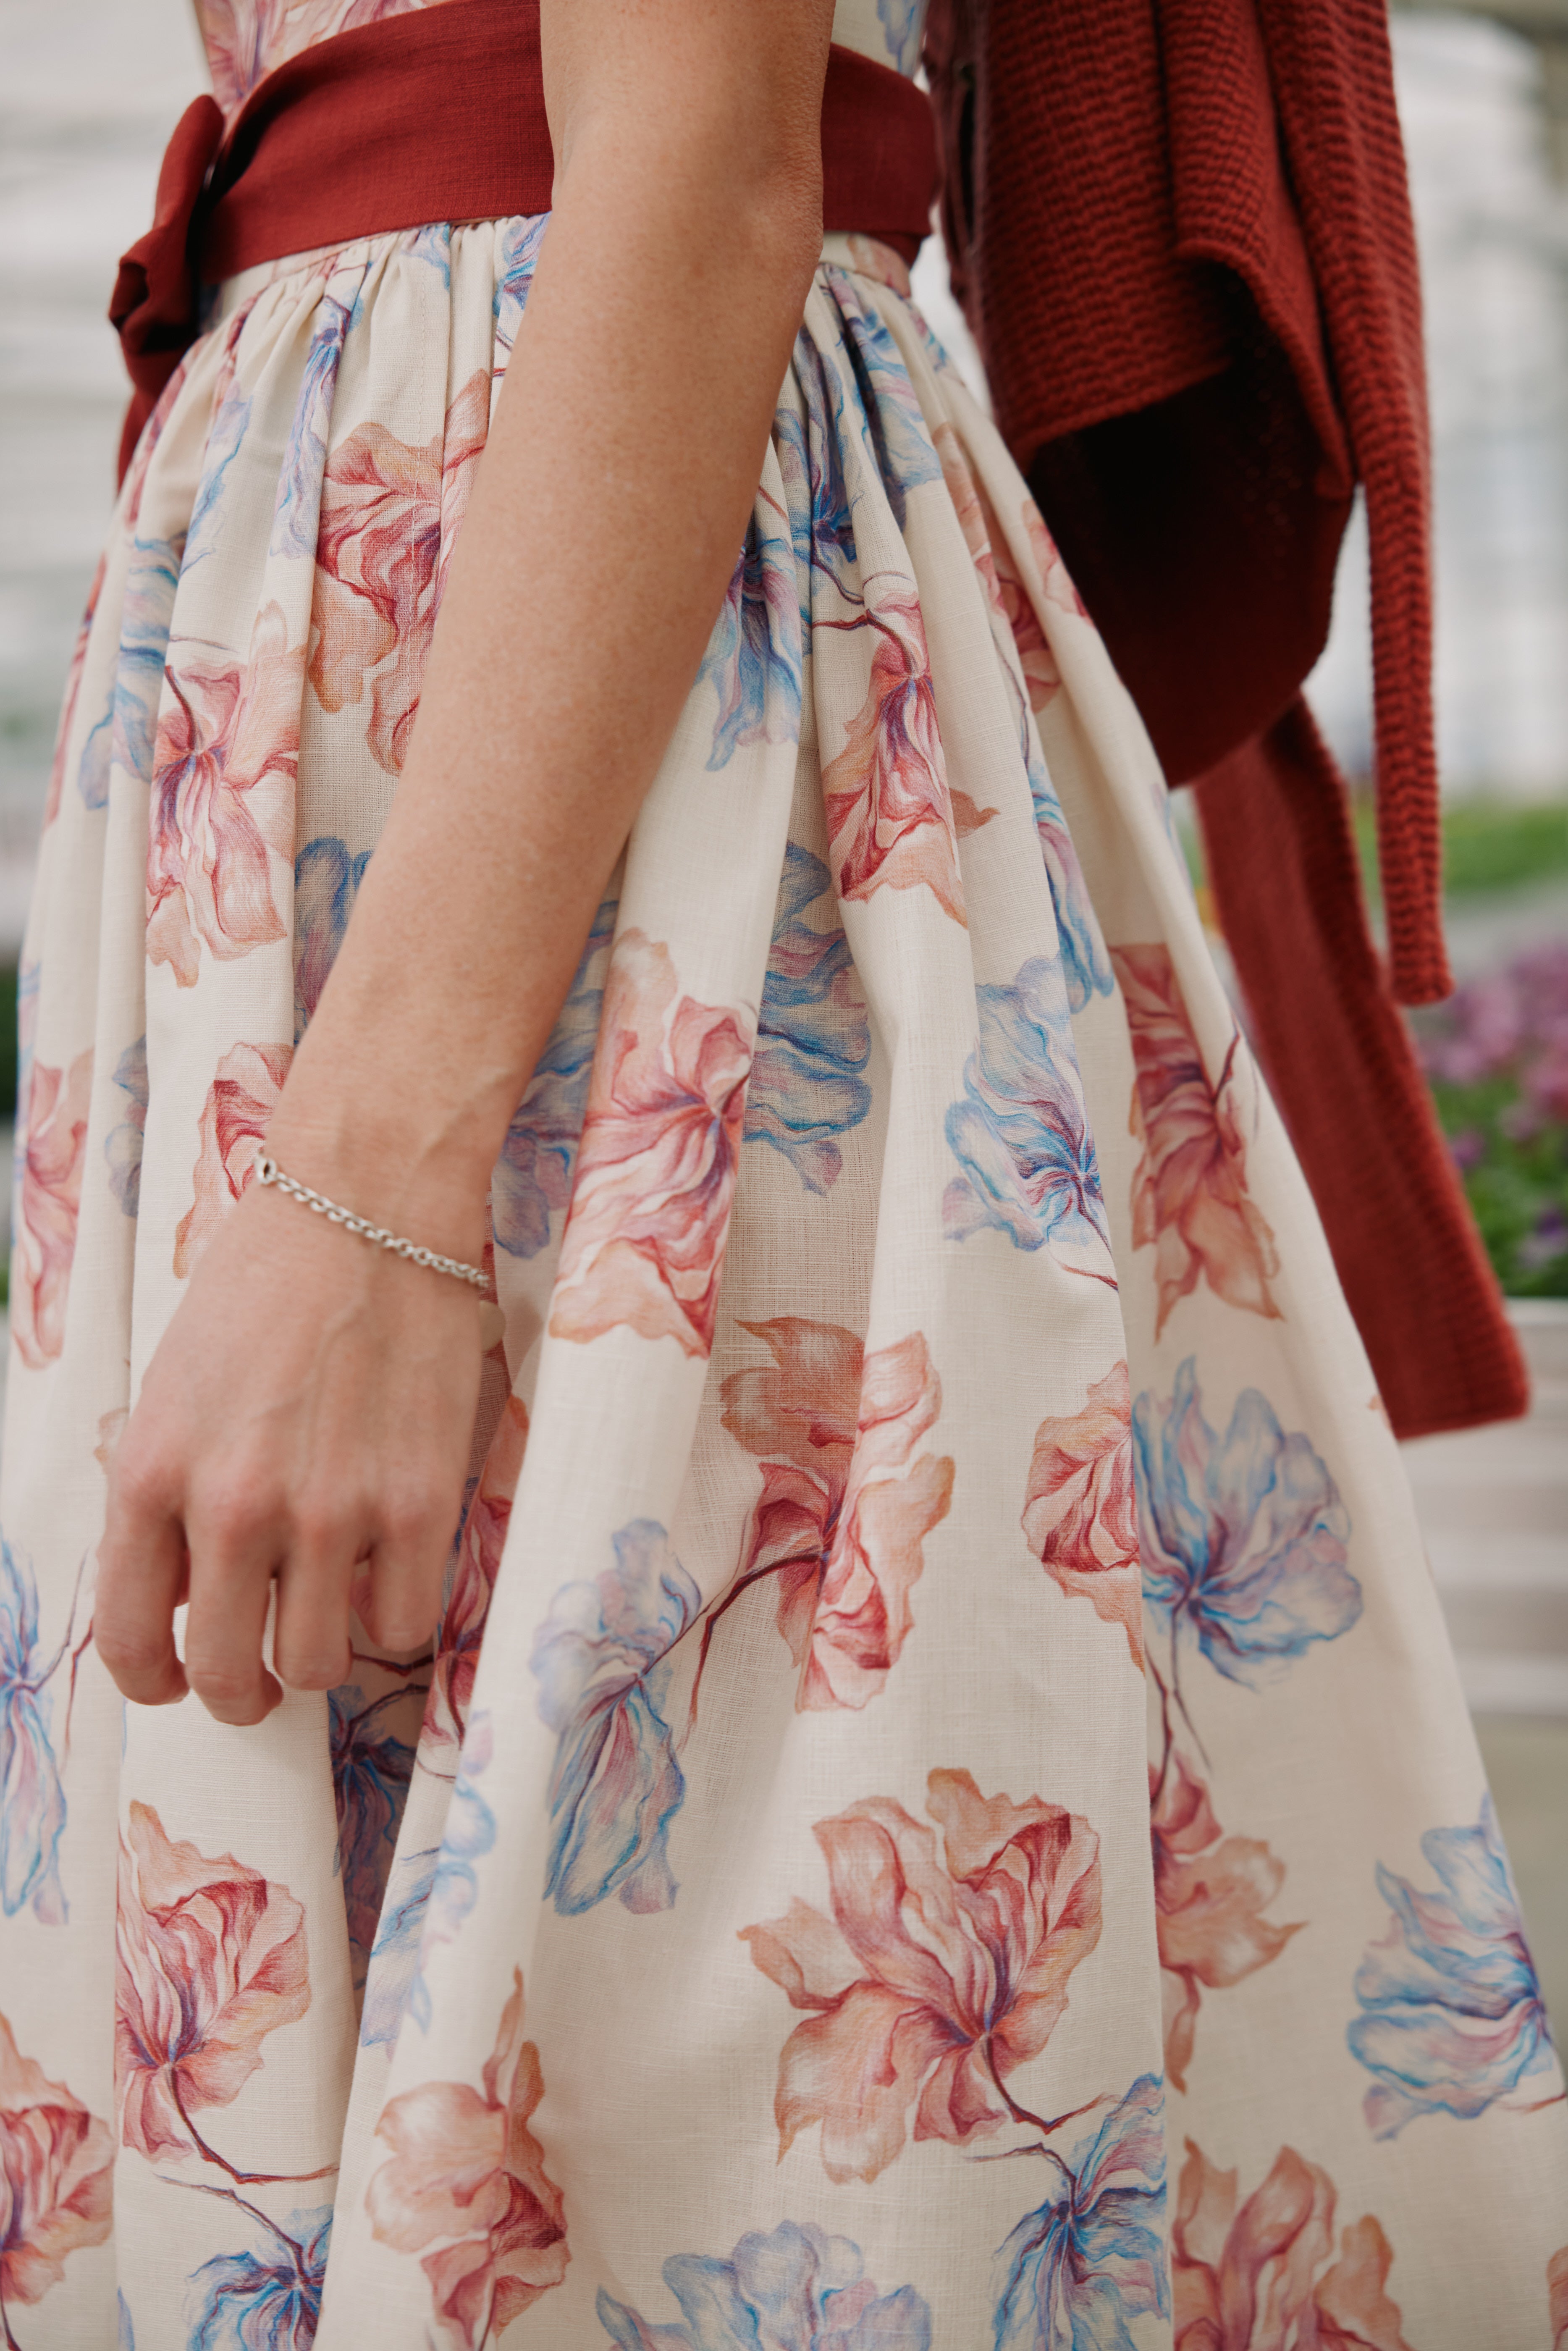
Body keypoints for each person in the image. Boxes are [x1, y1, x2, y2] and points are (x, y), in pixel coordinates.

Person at [2, 1, 1564, 2344]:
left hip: (619, 736)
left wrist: (367, 1190)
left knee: (701, 2061)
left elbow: (707, 163)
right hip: (420, 653)